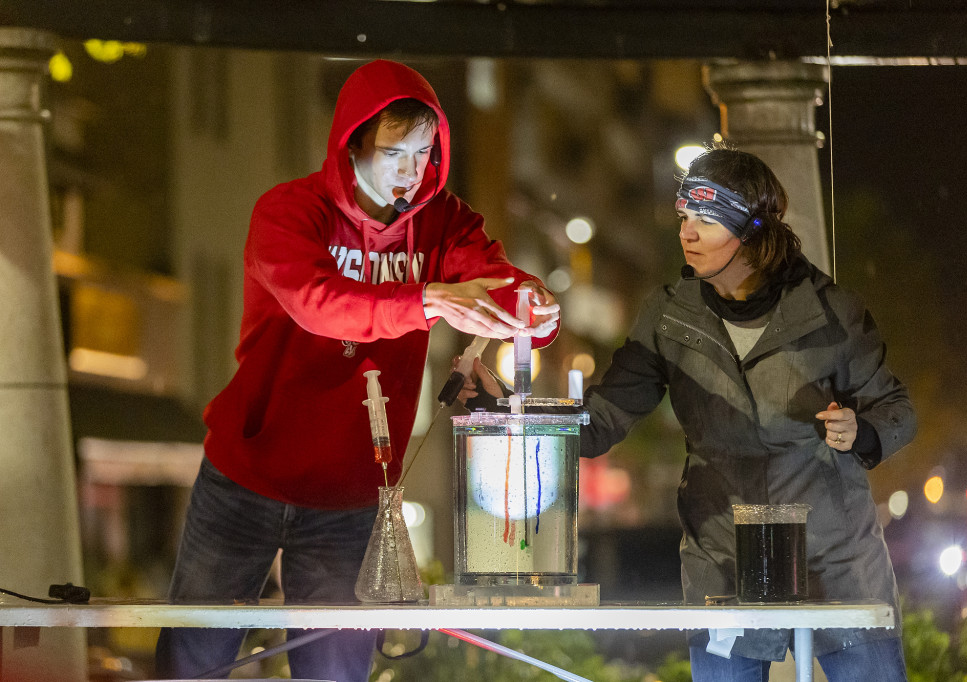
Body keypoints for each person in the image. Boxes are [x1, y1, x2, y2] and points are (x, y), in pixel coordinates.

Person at [155, 59, 559, 681]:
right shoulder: (288, 212)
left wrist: (529, 305)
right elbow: (319, 303)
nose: (411, 172)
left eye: (425, 154)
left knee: (336, 672)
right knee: (194, 661)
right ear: (353, 144)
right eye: (395, 153)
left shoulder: (444, 221)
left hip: (352, 493)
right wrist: (427, 300)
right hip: (247, 474)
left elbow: (493, 279)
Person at [462, 144, 916, 681]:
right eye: (683, 217)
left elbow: (897, 409)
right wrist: (509, 414)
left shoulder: (830, 309)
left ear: (750, 229)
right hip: (721, 558)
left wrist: (860, 431)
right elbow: (604, 417)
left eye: (706, 218)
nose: (688, 232)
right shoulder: (669, 315)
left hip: (836, 557)